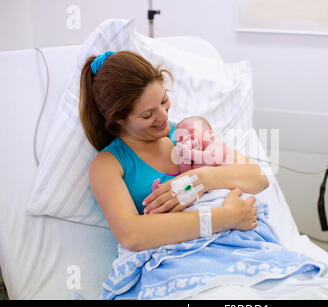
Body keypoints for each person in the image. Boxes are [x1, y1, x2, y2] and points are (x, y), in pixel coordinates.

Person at [79, 50, 269, 251]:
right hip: (178, 258)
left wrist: (201, 179)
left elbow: (258, 177)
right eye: (147, 114)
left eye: (163, 101)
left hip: (236, 242)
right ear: (118, 118)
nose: (163, 116)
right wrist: (223, 218)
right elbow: (131, 235)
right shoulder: (108, 164)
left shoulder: (187, 132)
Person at [149, 115, 233, 193]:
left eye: (191, 131)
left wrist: (189, 153)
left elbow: (213, 160)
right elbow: (186, 174)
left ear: (209, 133)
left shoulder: (218, 144)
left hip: (223, 189)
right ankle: (161, 190)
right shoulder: (191, 157)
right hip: (203, 194)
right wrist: (185, 158)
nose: (187, 138)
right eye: (181, 138)